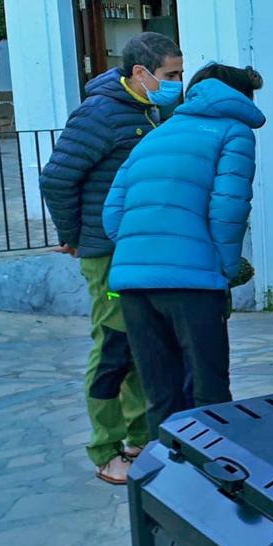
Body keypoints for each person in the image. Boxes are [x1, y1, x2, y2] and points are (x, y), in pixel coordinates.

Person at [39, 32, 183, 486]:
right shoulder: (99, 113)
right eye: (170, 75)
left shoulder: (149, 109)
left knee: (142, 346)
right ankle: (106, 449)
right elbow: (57, 179)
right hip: (108, 253)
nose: (178, 82)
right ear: (140, 73)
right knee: (113, 348)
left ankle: (140, 438)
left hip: (140, 249)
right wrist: (74, 236)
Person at [103, 63, 265, 439]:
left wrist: (143, 249)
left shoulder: (157, 134)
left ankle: (169, 486)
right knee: (209, 392)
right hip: (192, 282)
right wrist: (226, 267)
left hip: (133, 282)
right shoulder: (234, 131)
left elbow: (113, 214)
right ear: (242, 97)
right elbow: (229, 209)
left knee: (161, 392)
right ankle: (215, 480)